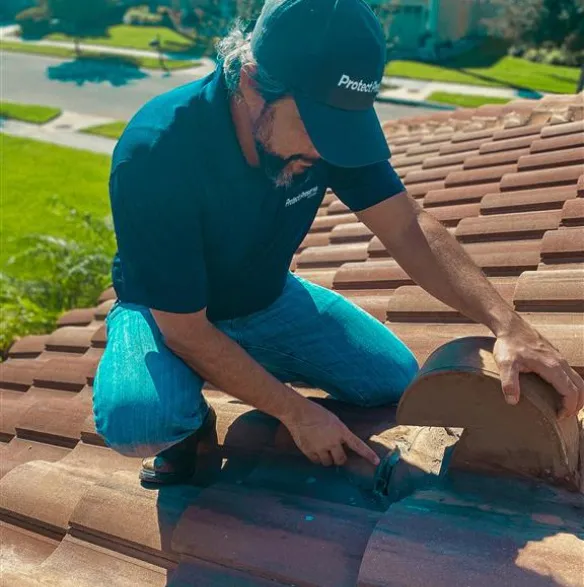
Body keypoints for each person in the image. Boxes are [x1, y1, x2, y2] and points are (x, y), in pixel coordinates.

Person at [93, 0, 584, 485]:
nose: (326, 149)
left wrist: (507, 323)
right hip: (166, 315)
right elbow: (186, 330)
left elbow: (406, 225)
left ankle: (245, 361)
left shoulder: (327, 119)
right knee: (141, 421)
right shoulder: (157, 151)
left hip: (263, 298)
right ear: (250, 82)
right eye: (314, 128)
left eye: (340, 130)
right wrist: (296, 412)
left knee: (390, 381)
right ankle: (190, 424)